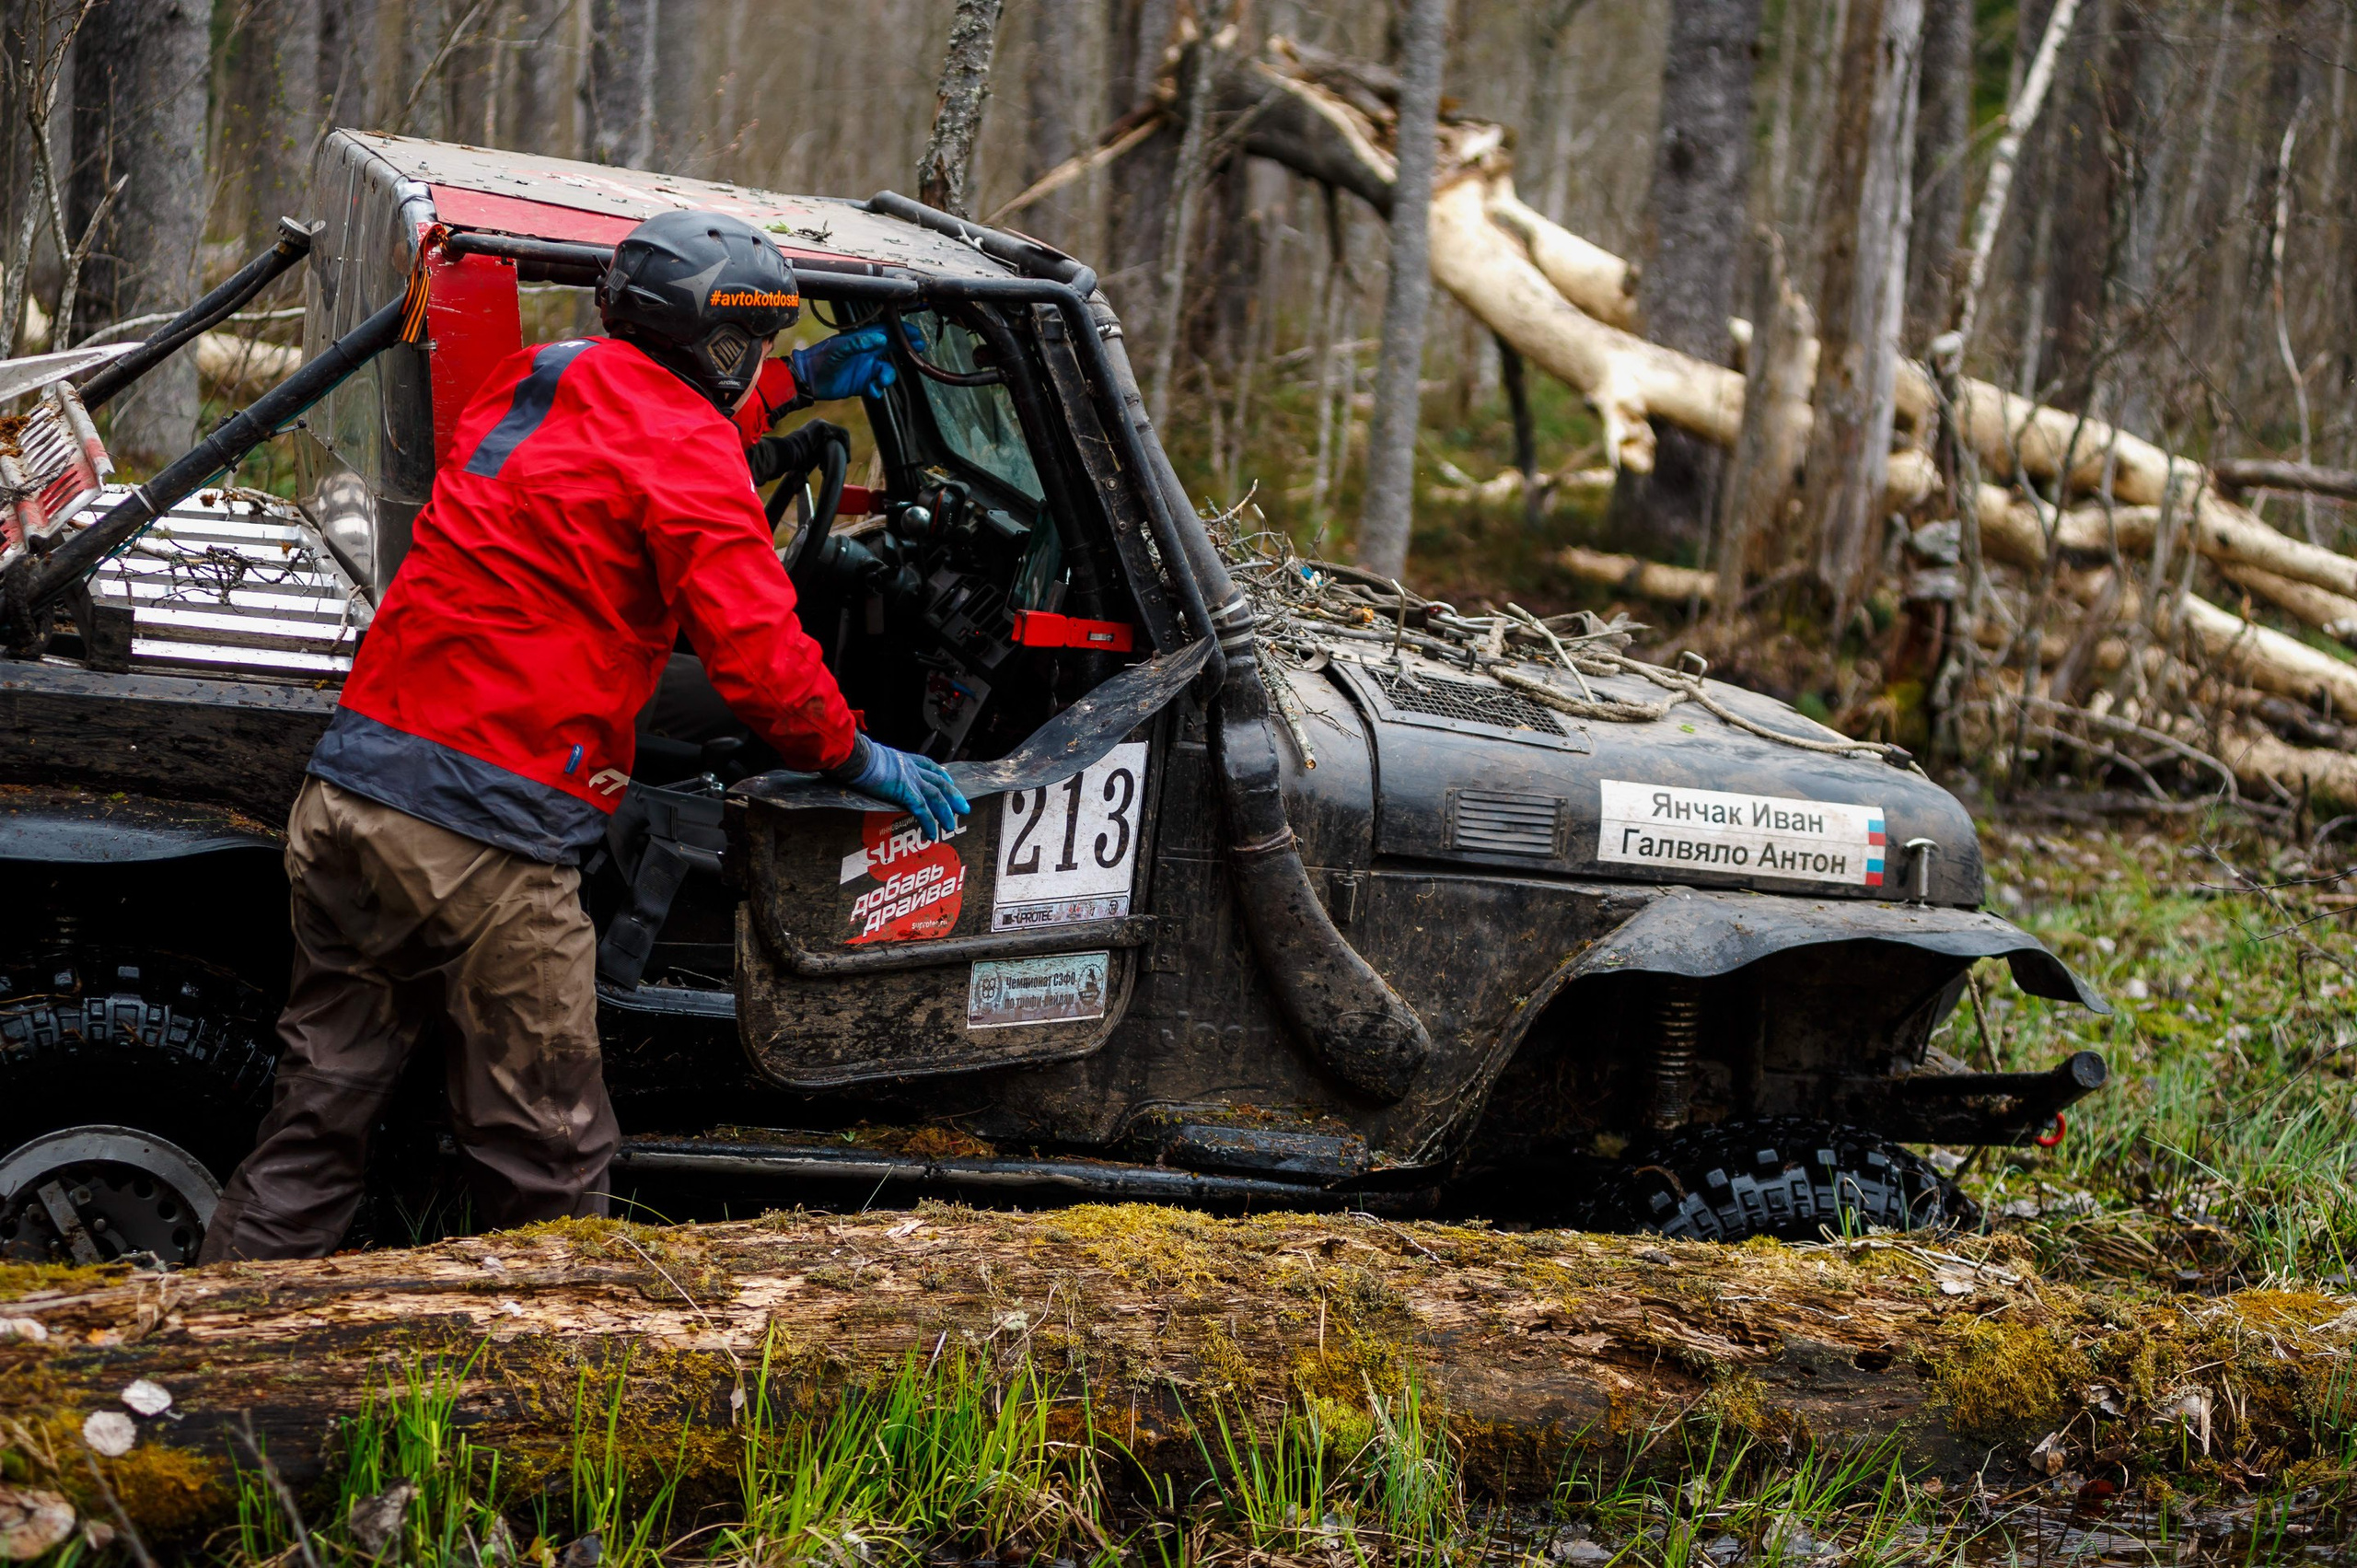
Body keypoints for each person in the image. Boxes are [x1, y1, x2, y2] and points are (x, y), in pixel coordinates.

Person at [199, 210, 968, 1261]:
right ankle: (557, 1393)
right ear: (717, 340)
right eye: (757, 348)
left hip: (353, 796)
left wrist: (791, 391)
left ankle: (219, 1352)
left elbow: (626, 437)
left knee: (318, 1112)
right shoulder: (691, 451)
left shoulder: (541, 375)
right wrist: (855, 755)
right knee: (549, 1155)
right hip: (488, 841)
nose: (761, 365)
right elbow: (762, 666)